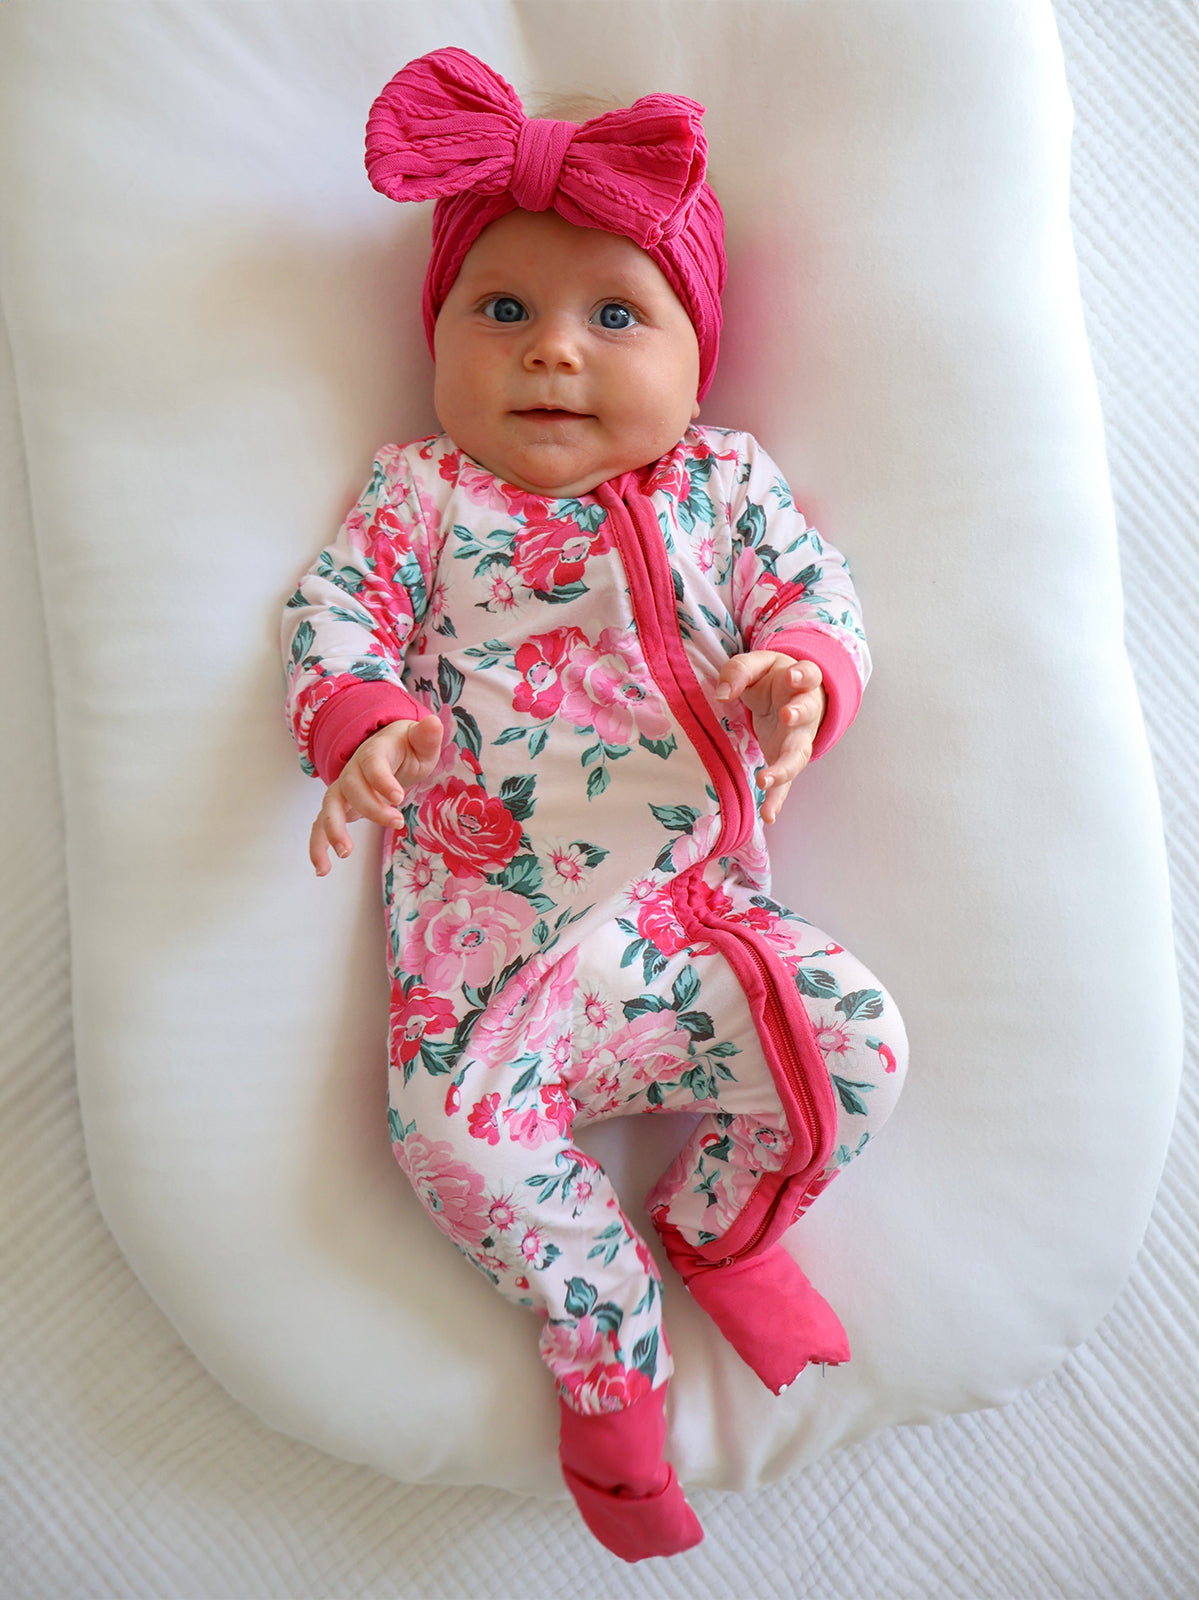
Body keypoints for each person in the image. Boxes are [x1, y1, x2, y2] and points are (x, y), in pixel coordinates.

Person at [282, 45, 907, 1562]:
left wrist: (804, 671)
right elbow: (334, 615)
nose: (551, 354)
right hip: (489, 972)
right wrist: (356, 718)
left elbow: (817, 592)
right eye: (501, 312)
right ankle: (609, 1357)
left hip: (695, 933)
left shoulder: (721, 482)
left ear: (699, 357)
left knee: (860, 1043)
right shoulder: (424, 494)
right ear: (439, 341)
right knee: (451, 1145)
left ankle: (718, 1222)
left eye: (613, 317)